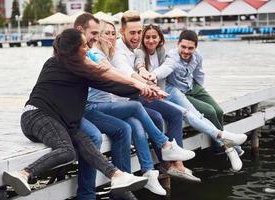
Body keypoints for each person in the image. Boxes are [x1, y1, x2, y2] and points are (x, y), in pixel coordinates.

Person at [2, 28, 161, 197]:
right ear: (74, 49)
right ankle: (23, 174)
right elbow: (109, 83)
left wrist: (143, 90)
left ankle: (117, 175)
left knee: (85, 140)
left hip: (59, 120)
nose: (88, 48)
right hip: (36, 116)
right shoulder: (61, 65)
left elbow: (110, 83)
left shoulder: (75, 67)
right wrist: (141, 89)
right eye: (84, 45)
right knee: (66, 150)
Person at [84, 20, 198, 198]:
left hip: (110, 105)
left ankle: (145, 172)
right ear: (97, 36)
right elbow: (117, 76)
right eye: (106, 33)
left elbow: (121, 77)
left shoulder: (108, 54)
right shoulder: (96, 55)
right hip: (95, 107)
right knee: (137, 107)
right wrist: (145, 87)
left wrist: (145, 88)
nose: (110, 37)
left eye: (113, 33)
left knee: (134, 125)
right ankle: (164, 144)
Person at [135, 27, 247, 171]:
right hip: (161, 92)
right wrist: (152, 75)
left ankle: (227, 145)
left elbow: (194, 72)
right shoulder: (144, 53)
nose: (151, 40)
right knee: (190, 114)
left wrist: (199, 89)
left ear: (160, 39)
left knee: (205, 112)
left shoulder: (161, 51)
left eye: (154, 37)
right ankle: (227, 144)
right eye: (147, 37)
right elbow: (165, 67)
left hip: (176, 89)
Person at [111, 10, 201, 181]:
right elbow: (127, 72)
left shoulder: (136, 47)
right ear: (122, 31)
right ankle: (167, 164)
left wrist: (149, 82)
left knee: (174, 113)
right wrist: (148, 86)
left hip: (137, 96)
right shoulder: (119, 51)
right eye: (132, 33)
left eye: (139, 32)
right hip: (127, 99)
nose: (137, 36)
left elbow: (141, 64)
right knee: (157, 118)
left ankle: (176, 164)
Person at [73, 13, 136, 200]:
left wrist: (140, 85)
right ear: (79, 31)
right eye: (95, 33)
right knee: (93, 136)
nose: (98, 37)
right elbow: (106, 78)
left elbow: (109, 73)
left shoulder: (89, 51)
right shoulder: (71, 52)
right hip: (73, 112)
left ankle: (122, 187)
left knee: (124, 128)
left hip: (81, 109)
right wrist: (138, 87)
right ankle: (87, 195)